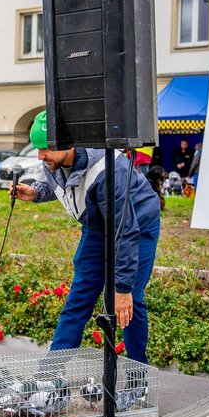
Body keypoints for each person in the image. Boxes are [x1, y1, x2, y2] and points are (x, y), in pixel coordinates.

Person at [11, 111, 161, 364]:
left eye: (45, 148)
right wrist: (36, 192)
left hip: (136, 225)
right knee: (79, 297)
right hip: (98, 226)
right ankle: (51, 373)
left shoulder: (107, 170)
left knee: (127, 301)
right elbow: (61, 182)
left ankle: (139, 376)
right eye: (37, 149)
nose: (40, 156)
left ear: (67, 144)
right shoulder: (55, 161)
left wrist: (122, 288)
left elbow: (124, 230)